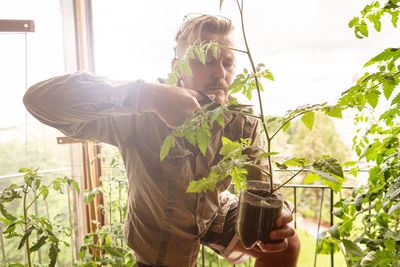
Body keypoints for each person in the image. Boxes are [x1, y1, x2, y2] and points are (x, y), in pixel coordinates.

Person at [24, 15, 300, 267]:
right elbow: (38, 100)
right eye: (205, 60)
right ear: (177, 67)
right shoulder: (141, 114)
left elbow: (265, 188)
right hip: (159, 234)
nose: (220, 73)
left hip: (214, 212)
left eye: (227, 62)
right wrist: (146, 96)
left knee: (287, 245)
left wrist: (279, 219)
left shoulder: (242, 121)